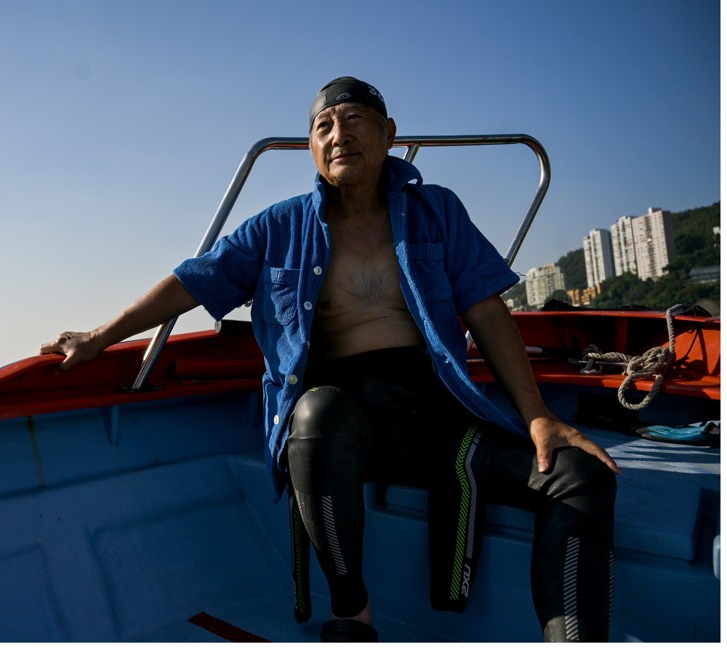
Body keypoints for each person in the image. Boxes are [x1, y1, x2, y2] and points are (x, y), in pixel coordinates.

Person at [40, 77, 619, 642]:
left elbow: (487, 311)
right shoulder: (278, 227)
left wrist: (539, 415)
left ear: (389, 134)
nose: (338, 134)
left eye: (355, 120)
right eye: (323, 126)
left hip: (439, 418)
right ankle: (352, 614)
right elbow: (192, 282)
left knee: (579, 475)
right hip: (341, 425)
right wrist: (99, 336)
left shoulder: (437, 211)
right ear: (311, 148)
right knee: (316, 414)